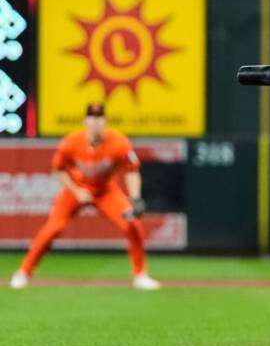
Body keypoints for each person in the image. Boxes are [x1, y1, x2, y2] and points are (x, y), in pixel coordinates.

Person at [9, 103, 160, 290]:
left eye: (99, 117)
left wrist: (135, 197)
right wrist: (76, 191)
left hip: (105, 191)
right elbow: (58, 170)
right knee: (52, 229)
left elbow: (131, 170)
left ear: (105, 121)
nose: (95, 122)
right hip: (76, 189)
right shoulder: (72, 142)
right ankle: (23, 272)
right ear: (85, 121)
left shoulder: (118, 141)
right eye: (92, 117)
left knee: (132, 225)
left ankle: (140, 275)